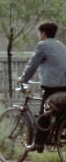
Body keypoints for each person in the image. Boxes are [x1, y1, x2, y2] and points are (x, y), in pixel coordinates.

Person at [19, 21, 66, 151]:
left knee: (43, 113)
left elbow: (32, 65)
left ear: (43, 33)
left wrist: (24, 78)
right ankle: (54, 134)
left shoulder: (43, 45)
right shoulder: (61, 45)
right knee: (58, 112)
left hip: (52, 87)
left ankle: (38, 143)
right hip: (64, 86)